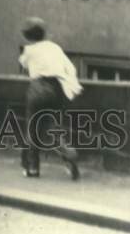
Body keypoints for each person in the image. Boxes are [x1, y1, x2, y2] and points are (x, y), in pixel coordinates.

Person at [18, 17, 82, 180]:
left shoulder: (29, 50)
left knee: (33, 130)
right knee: (53, 128)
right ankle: (69, 153)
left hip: (37, 89)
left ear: (28, 36)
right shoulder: (55, 48)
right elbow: (71, 68)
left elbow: (23, 65)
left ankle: (33, 169)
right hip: (56, 90)